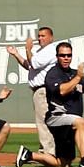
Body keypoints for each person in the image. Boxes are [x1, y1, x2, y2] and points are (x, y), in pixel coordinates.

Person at [26, 42, 84, 167]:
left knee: (64, 163)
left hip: (69, 120)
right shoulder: (53, 74)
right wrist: (78, 78)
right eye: (62, 55)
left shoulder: (74, 73)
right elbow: (62, 90)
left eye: (68, 55)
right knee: (81, 122)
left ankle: (29, 155)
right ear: (57, 56)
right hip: (57, 118)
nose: (66, 58)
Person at [11, 26, 61, 159]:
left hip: (44, 90)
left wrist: (28, 48)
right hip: (40, 90)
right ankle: (46, 151)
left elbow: (33, 63)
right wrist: (16, 54)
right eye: (39, 36)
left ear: (51, 37)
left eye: (43, 36)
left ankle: (48, 153)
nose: (40, 38)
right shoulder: (41, 51)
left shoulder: (51, 49)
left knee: (43, 121)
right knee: (44, 121)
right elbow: (29, 66)